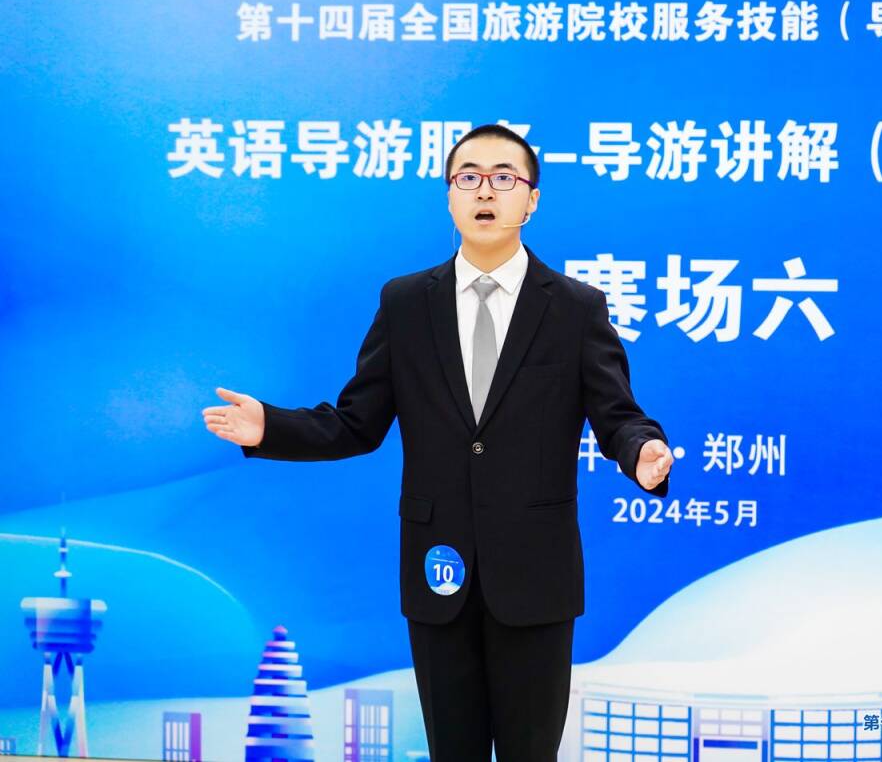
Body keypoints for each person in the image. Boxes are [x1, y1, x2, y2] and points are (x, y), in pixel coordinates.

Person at [201, 123, 675, 761]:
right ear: (450, 196)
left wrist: (641, 450)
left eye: (504, 177)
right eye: (469, 177)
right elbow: (357, 422)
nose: (486, 191)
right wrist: (271, 427)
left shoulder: (573, 307)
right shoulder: (406, 304)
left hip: (536, 572)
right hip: (438, 568)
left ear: (531, 199)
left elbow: (616, 413)